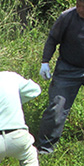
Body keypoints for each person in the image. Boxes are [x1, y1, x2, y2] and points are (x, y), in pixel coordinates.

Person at [38, 0, 84, 155]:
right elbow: (52, 38)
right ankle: (45, 148)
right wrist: (45, 61)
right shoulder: (67, 17)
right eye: (78, 5)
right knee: (57, 107)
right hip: (68, 68)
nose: (80, 10)